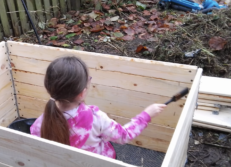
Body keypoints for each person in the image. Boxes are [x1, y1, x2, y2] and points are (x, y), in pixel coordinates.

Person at [30, 56, 166, 159]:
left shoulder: (41, 123)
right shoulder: (96, 118)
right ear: (82, 93)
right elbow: (124, 136)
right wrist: (146, 115)